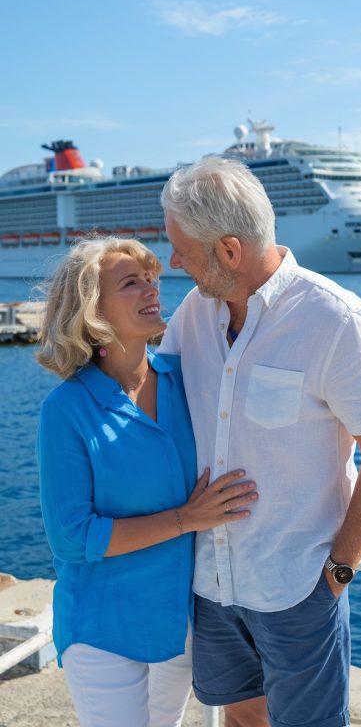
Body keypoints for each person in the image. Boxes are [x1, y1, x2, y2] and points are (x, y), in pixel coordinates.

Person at [159, 157, 361, 727]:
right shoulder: (193, 314)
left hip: (298, 583)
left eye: (182, 249)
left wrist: (340, 570)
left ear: (227, 251)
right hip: (212, 581)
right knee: (243, 717)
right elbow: (148, 396)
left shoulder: (336, 319)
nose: (173, 261)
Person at [36, 236, 258, 727]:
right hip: (102, 627)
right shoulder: (66, 411)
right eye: (131, 283)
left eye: (152, 279)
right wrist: (185, 519)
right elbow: (73, 537)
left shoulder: (188, 380)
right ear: (92, 309)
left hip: (177, 623)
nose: (152, 291)